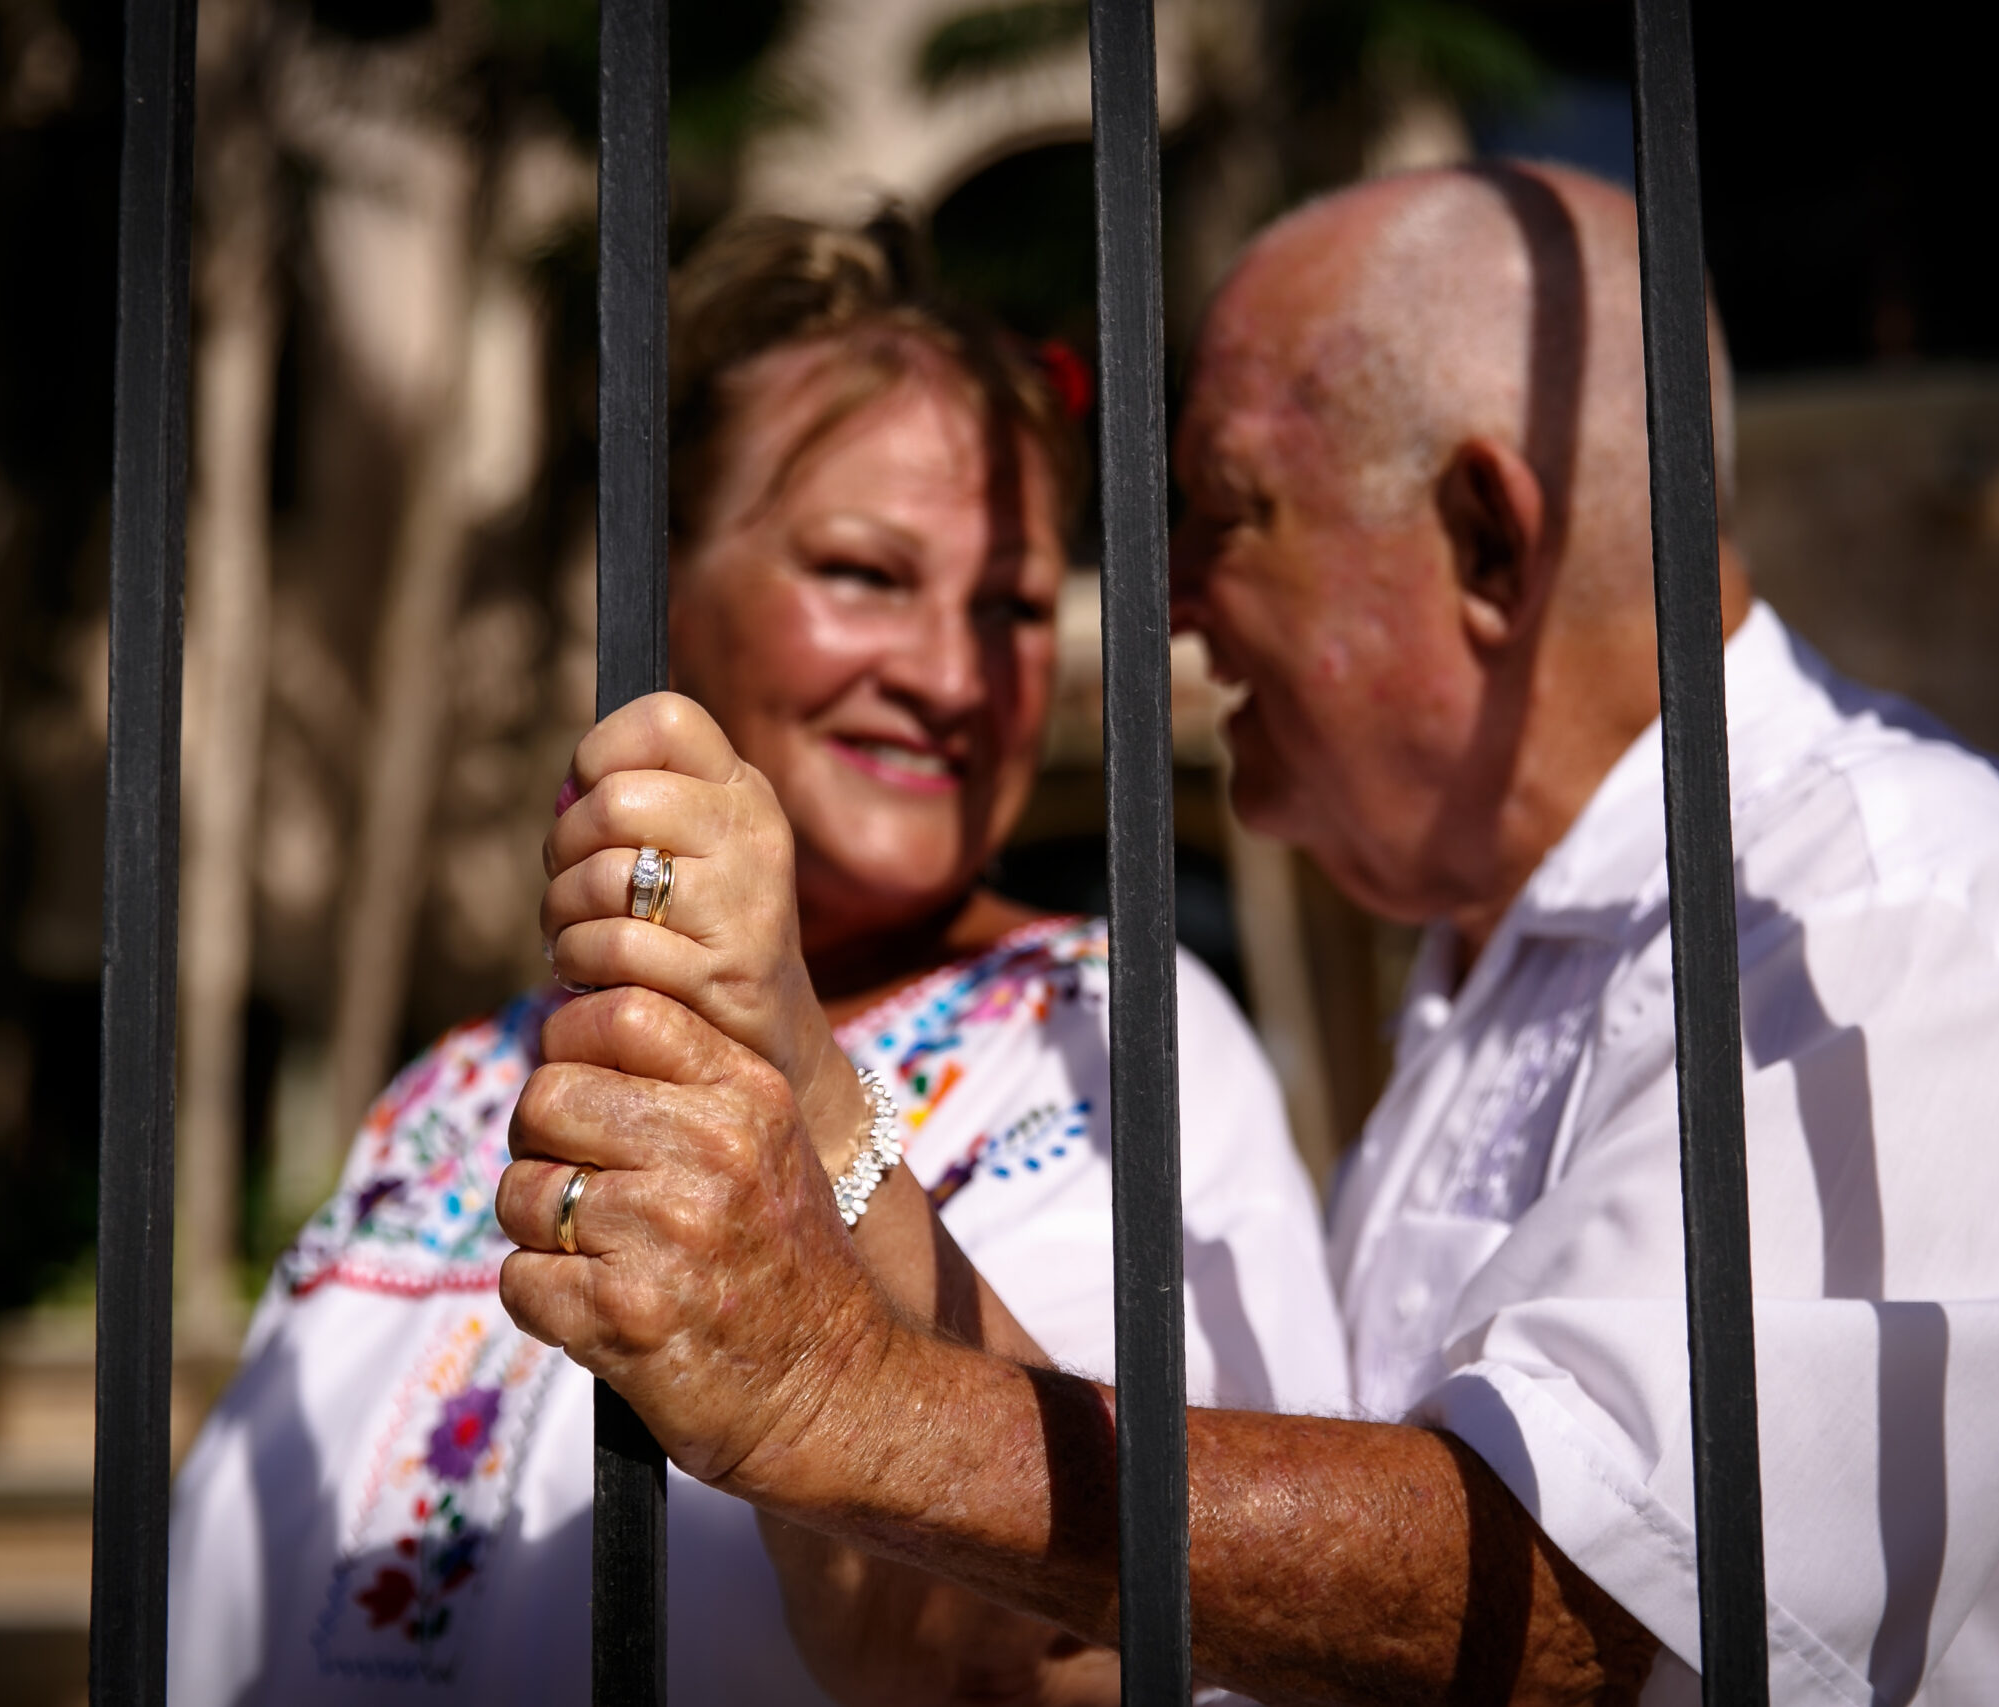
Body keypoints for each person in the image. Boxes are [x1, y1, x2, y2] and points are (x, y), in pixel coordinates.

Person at [494, 162, 1999, 1706]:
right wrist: (819, 1099)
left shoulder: (1906, 921)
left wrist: (838, 1406)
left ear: (1486, 541)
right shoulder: (1498, 962)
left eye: (1223, 515)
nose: (1172, 608)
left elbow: (1582, 1603)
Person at [165, 214, 1349, 1707]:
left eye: (1010, 606)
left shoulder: (1109, 1041)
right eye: (864, 572)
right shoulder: (451, 1088)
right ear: (658, 585)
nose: (944, 674)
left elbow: (1066, 1640)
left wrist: (801, 1075)